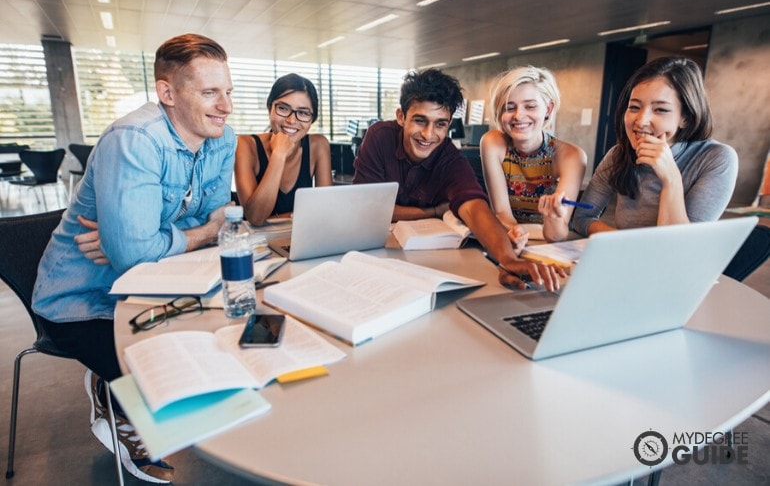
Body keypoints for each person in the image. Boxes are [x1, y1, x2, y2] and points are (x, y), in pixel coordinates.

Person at [32, 33, 236, 483]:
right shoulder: (135, 139)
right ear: (167, 93)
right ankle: (118, 399)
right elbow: (142, 252)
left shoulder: (222, 138)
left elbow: (214, 225)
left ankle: (117, 381)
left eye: (228, 91)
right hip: (80, 299)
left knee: (224, 341)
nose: (225, 106)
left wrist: (146, 242)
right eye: (209, 92)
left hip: (156, 285)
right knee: (168, 369)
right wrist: (193, 233)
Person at [353, 69, 564, 291]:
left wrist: (507, 260)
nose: (428, 134)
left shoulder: (449, 158)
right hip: (375, 252)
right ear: (401, 117)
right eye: (420, 121)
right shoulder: (379, 137)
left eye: (440, 124)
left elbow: (474, 208)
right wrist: (433, 211)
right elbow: (367, 208)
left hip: (423, 259)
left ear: (449, 124)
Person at [572, 57, 738, 236]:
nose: (641, 121)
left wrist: (671, 178)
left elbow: (681, 245)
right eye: (634, 107)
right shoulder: (618, 154)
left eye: (660, 110)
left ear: (686, 117)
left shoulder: (717, 158)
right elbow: (582, 218)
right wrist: (622, 243)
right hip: (627, 259)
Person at [481, 66, 587, 243]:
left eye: (530, 106)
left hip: (550, 246)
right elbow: (502, 215)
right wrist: (519, 236)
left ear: (548, 109)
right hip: (511, 239)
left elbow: (556, 235)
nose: (519, 115)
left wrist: (553, 219)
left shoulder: (571, 156)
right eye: (509, 107)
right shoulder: (492, 143)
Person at [234, 73, 332, 226]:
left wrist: (277, 218)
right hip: (259, 243)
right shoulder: (245, 145)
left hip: (302, 237)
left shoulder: (318, 145)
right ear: (269, 108)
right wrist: (279, 154)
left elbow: (326, 211)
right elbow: (256, 218)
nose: (291, 120)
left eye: (303, 112)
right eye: (283, 108)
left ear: (312, 119)